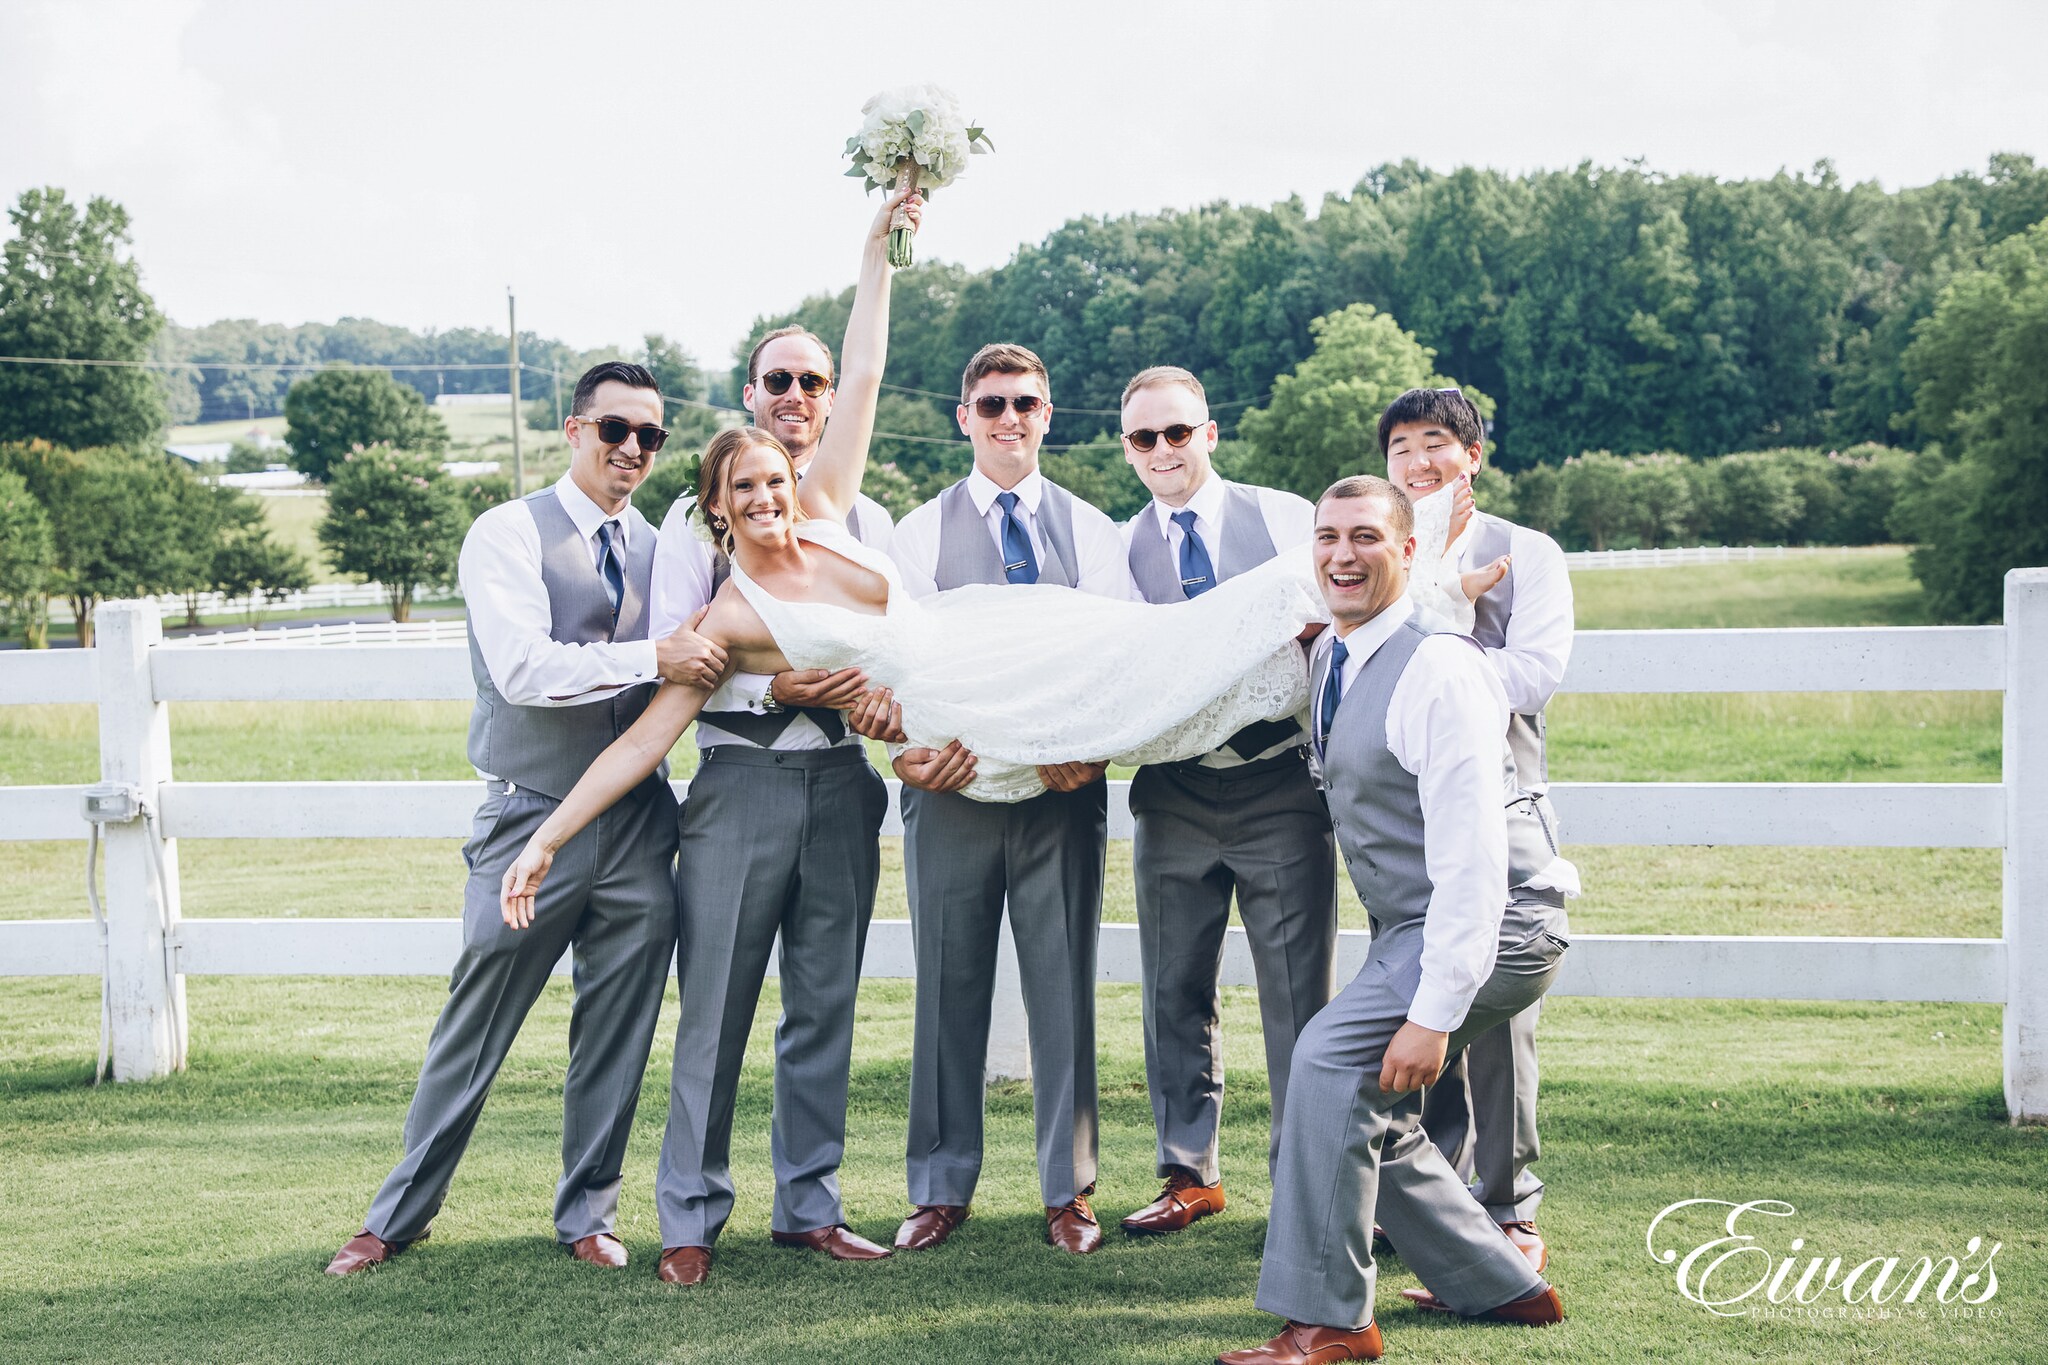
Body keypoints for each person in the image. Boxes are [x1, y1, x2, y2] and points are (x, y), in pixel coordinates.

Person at [325, 360, 725, 1277]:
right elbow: (523, 669)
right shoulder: (506, 533)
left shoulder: (668, 549)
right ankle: (397, 1214)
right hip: (527, 812)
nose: (634, 449)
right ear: (575, 429)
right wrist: (650, 654)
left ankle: (588, 1213)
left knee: (619, 1029)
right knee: (477, 1019)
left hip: (639, 822)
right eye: (616, 430)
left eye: (651, 436)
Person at [632, 189, 919, 1288]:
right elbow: (683, 660)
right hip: (741, 781)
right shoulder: (693, 523)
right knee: (713, 1007)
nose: (803, 396)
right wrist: (772, 673)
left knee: (823, 1003)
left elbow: (869, 372)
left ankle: (809, 1205)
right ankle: (690, 1218)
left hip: (841, 785)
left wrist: (878, 253)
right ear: (750, 395)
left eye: (813, 381)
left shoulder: (850, 513)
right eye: (781, 380)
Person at [1220, 475, 1568, 1365]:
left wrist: (1434, 1014)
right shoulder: (1337, 656)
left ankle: (1332, 1318)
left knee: (1329, 1063)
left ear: (1410, 553)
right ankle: (1500, 1280)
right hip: (1417, 927)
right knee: (1373, 1098)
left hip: (1494, 925)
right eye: (1328, 536)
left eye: (1367, 537)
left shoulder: (1440, 666)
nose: (1343, 553)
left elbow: (1474, 863)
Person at [1110, 365, 1336, 1239]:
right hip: (1171, 789)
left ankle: (1307, 1174)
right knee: (1173, 985)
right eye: (1143, 438)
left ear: (1209, 432)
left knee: (1297, 994)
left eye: (1177, 432)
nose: (1163, 451)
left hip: (1278, 780)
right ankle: (1188, 1169)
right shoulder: (1118, 549)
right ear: (1127, 449)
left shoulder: (1283, 518)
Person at [1382, 387, 1577, 1276]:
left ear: (1474, 456)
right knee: (1423, 992)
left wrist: (1440, 655)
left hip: (1501, 806)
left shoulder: (1525, 552)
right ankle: (1439, 1200)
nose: (1418, 462)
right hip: (1402, 814)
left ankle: (1511, 1204)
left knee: (1497, 1018)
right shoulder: (1382, 548)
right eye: (1402, 448)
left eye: (1435, 444)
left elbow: (1534, 673)